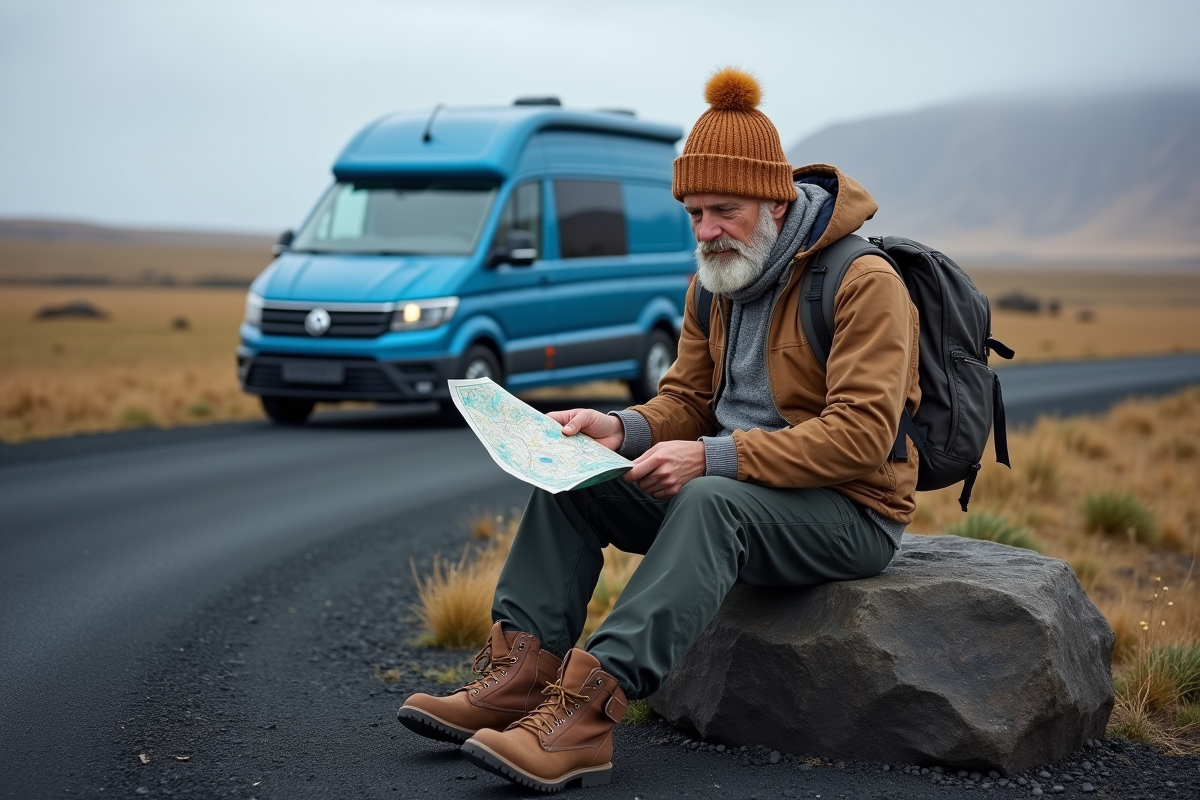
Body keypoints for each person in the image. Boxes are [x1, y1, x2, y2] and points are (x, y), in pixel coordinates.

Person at [398, 67, 921, 792]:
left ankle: (586, 713)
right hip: (740, 489)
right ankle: (519, 675)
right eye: (694, 213)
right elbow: (686, 398)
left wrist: (711, 459)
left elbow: (860, 437)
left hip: (849, 510)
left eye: (724, 211)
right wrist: (619, 429)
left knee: (710, 502)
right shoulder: (719, 279)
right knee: (574, 476)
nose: (706, 232)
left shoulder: (864, 282)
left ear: (774, 197)